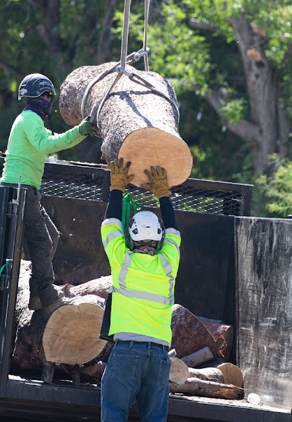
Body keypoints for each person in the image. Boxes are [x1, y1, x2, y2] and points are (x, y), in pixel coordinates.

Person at [0, 73, 99, 317]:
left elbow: (48, 142)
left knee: (51, 236)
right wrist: (81, 131)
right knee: (43, 242)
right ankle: (45, 294)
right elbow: (47, 145)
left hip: (26, 190)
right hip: (20, 189)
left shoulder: (29, 119)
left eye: (49, 96)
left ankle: (37, 293)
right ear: (34, 97)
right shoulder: (30, 119)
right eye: (45, 95)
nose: (48, 100)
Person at [100, 159, 181, 422]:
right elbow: (175, 233)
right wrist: (164, 195)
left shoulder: (122, 261)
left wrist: (117, 188)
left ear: (131, 235)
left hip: (126, 351)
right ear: (159, 238)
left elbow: (110, 225)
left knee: (114, 414)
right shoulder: (168, 263)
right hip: (159, 356)